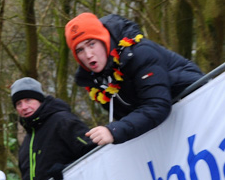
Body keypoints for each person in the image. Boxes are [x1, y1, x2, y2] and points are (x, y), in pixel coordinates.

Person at [65, 12, 203, 146]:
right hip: (170, 133)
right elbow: (129, 118)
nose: (88, 55)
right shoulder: (95, 82)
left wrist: (114, 131)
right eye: (80, 50)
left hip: (201, 109)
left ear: (103, 40)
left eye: (91, 44)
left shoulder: (139, 52)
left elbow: (157, 105)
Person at [0, 78, 95, 180]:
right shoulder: (26, 146)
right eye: (19, 104)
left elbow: (94, 153)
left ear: (39, 100)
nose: (24, 107)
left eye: (28, 100)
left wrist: (67, 170)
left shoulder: (63, 120)